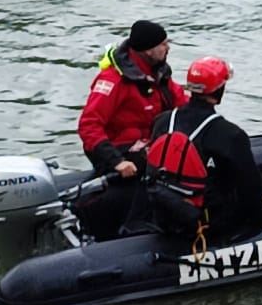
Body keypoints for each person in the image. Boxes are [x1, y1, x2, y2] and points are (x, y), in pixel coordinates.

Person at [73, 19, 186, 240]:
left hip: (147, 145)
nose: (168, 48)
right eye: (163, 44)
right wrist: (117, 161)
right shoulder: (113, 80)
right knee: (151, 172)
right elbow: (89, 125)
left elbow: (181, 103)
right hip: (118, 152)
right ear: (148, 50)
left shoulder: (158, 74)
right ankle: (134, 226)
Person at [143, 56, 262, 244]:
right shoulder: (230, 134)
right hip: (206, 224)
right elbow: (251, 189)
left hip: (163, 214)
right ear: (219, 89)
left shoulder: (163, 121)